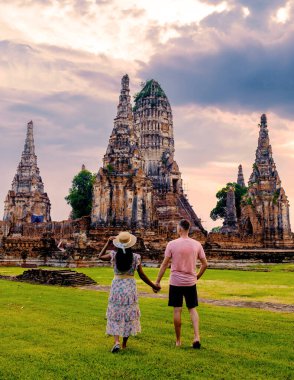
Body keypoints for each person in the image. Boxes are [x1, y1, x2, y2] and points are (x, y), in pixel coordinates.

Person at [98, 231, 160, 353]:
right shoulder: (136, 257)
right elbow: (142, 275)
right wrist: (153, 285)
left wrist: (108, 242)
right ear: (130, 244)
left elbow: (99, 256)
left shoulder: (114, 255)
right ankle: (125, 344)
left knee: (116, 313)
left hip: (117, 286)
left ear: (118, 244)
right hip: (130, 287)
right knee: (128, 314)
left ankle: (116, 342)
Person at [155, 219, 208, 349]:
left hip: (176, 282)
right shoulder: (196, 244)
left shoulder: (172, 244)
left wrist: (157, 281)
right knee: (192, 309)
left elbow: (164, 264)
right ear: (188, 229)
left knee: (177, 309)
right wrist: (197, 277)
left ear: (179, 229)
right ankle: (196, 337)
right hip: (190, 281)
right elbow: (205, 264)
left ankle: (178, 341)